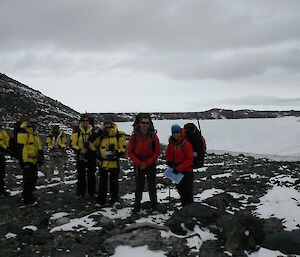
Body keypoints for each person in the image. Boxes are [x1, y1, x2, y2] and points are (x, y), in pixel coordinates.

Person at [128, 113, 160, 213]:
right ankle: (137, 207)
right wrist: (139, 163)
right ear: (139, 123)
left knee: (152, 186)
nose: (145, 124)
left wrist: (147, 163)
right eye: (143, 122)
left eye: (147, 123)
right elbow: (130, 152)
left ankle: (154, 207)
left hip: (150, 163)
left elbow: (157, 152)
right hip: (139, 163)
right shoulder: (134, 136)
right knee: (139, 186)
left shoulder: (153, 135)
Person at [95, 121, 127, 206]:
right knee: (102, 182)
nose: (108, 129)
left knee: (114, 182)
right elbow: (93, 143)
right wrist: (98, 133)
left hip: (114, 162)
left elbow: (123, 149)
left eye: (110, 127)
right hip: (103, 163)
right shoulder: (101, 137)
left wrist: (116, 151)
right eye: (106, 127)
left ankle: (114, 200)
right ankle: (101, 201)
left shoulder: (119, 136)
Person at [17, 116, 44, 205]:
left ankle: (30, 195)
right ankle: (27, 199)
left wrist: (41, 156)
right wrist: (24, 162)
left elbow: (38, 146)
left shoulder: (34, 133)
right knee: (28, 180)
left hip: (34, 160)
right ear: (28, 122)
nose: (33, 124)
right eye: (31, 122)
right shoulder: (23, 132)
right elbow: (22, 149)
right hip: (27, 161)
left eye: (35, 123)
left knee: (33, 179)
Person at [166, 124, 194, 207]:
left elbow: (190, 159)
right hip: (176, 171)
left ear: (180, 132)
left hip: (186, 172)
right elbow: (168, 155)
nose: (176, 134)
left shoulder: (186, 143)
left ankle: (189, 209)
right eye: (174, 133)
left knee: (187, 192)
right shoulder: (171, 144)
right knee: (180, 190)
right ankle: (184, 207)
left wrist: (179, 168)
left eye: (177, 132)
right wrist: (169, 162)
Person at [71, 114, 97, 198]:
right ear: (81, 122)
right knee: (81, 176)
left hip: (91, 156)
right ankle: (80, 193)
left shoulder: (93, 132)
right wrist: (79, 150)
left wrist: (88, 150)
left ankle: (92, 193)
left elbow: (97, 144)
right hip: (80, 156)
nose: (85, 122)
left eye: (87, 120)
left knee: (91, 175)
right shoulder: (77, 133)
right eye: (83, 120)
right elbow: (72, 144)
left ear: (89, 122)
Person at [0, 123, 10, 196]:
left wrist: (6, 149)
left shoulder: (2, 131)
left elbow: (7, 140)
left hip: (2, 154)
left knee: (2, 173)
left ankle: (1, 190)